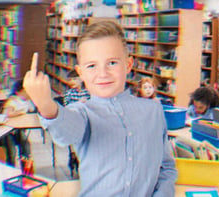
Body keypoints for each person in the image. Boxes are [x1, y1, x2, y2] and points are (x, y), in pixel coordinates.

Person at [23, 21, 177, 196]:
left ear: (128, 64)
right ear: (80, 72)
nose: (103, 73)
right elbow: (65, 132)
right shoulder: (82, 113)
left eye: (112, 63)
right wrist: (45, 105)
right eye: (91, 65)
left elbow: (167, 167)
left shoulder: (153, 110)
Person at [2, 79, 36, 166]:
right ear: (19, 92)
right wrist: (19, 112)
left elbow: (32, 111)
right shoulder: (13, 100)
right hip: (7, 131)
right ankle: (10, 170)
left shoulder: (27, 102)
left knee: (25, 145)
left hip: (19, 130)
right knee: (12, 153)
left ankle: (26, 168)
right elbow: (7, 114)